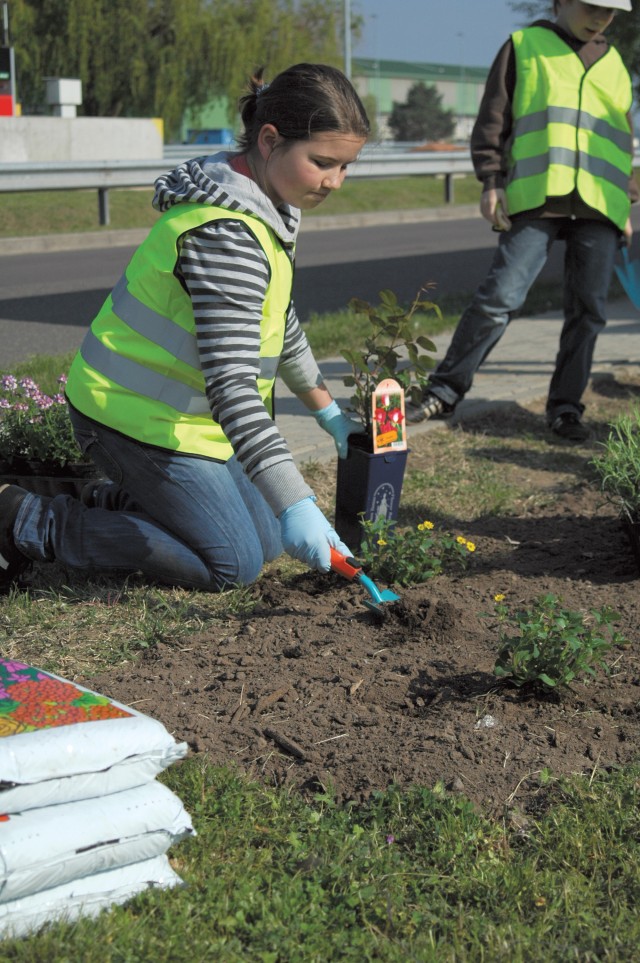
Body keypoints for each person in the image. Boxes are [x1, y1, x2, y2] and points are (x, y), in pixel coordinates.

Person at [0, 63, 370, 592]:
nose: (335, 181)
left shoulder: (268, 207)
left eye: (346, 167)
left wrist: (329, 414)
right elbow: (234, 393)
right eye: (323, 163)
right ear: (270, 140)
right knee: (232, 566)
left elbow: (278, 321)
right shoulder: (225, 236)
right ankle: (26, 521)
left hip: (186, 423)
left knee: (266, 540)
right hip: (129, 416)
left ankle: (117, 503)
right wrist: (298, 500)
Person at [407, 0, 637, 441]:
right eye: (592, 8)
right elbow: (494, 119)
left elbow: (620, 138)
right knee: (500, 297)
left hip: (600, 206)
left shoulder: (615, 64)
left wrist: (625, 204)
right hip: (536, 196)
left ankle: (566, 409)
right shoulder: (523, 46)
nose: (601, 18)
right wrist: (491, 181)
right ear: (562, 3)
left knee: (589, 311)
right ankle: (444, 391)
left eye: (610, 12)